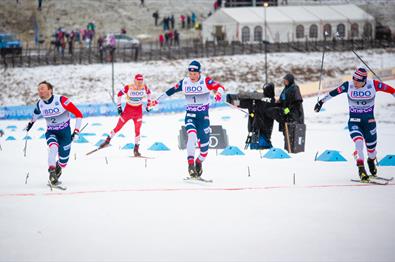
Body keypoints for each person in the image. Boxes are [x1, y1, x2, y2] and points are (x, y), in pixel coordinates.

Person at [314, 67, 395, 182]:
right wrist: (321, 102)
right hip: (354, 121)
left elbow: (391, 90)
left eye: (358, 80)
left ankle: (371, 161)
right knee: (359, 142)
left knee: (371, 150)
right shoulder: (348, 85)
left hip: (369, 122)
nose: (355, 82)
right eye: (354, 79)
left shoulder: (373, 84)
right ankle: (361, 169)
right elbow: (333, 93)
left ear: (364, 81)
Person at [148, 60, 225, 178]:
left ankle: (198, 162)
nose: (192, 76)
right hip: (190, 116)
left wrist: (219, 94)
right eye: (190, 74)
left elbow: (220, 87)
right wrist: (156, 101)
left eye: (195, 74)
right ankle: (190, 165)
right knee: (192, 135)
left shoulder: (205, 81)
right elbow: (170, 91)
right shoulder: (185, 82)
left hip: (203, 118)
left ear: (199, 73)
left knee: (204, 149)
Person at [25, 81, 83, 185]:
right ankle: (51, 171)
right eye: (38, 89)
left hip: (65, 134)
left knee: (63, 162)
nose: (40, 91)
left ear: (50, 90)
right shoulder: (40, 104)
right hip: (51, 132)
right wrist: (31, 123)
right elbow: (35, 113)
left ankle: (57, 169)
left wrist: (76, 131)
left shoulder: (61, 100)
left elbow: (78, 114)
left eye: (42, 88)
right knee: (53, 147)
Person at [99, 74, 152, 157]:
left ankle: (136, 150)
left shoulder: (144, 87)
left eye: (141, 81)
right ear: (134, 81)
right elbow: (119, 94)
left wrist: (148, 104)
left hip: (138, 112)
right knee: (118, 127)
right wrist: (119, 107)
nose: (139, 83)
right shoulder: (129, 87)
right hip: (128, 112)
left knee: (137, 130)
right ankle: (107, 141)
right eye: (138, 81)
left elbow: (149, 93)